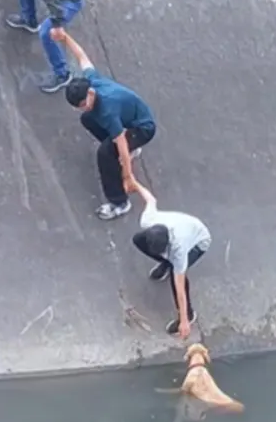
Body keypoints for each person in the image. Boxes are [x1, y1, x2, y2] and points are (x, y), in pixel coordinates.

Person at [60, 31, 157, 221]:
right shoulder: (92, 79)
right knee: (87, 119)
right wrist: (65, 37)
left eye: (82, 105)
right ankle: (128, 152)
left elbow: (120, 141)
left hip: (143, 129)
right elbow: (82, 56)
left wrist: (127, 175)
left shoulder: (107, 110)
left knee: (105, 154)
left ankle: (119, 202)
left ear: (89, 93)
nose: (82, 108)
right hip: (130, 119)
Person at [128, 178, 211, 339]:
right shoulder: (149, 221)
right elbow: (150, 199)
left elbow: (180, 287)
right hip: (181, 228)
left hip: (199, 241)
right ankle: (166, 263)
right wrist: (133, 182)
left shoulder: (178, 248)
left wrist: (184, 321)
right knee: (137, 239)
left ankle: (188, 313)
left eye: (164, 252)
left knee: (176, 275)